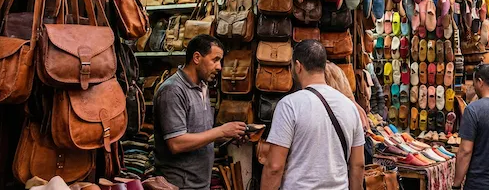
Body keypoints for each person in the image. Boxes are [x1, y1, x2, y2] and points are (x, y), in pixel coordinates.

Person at [261, 40, 365, 190]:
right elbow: (358, 165)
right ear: (323, 66)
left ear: (298, 66)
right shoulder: (350, 107)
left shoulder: (289, 105)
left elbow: (274, 167)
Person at [154, 35, 248, 190]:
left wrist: (228, 136)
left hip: (199, 183)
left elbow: (199, 134)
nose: (219, 67)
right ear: (197, 57)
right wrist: (220, 131)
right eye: (215, 60)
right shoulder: (172, 90)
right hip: (178, 185)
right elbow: (176, 143)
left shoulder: (202, 86)